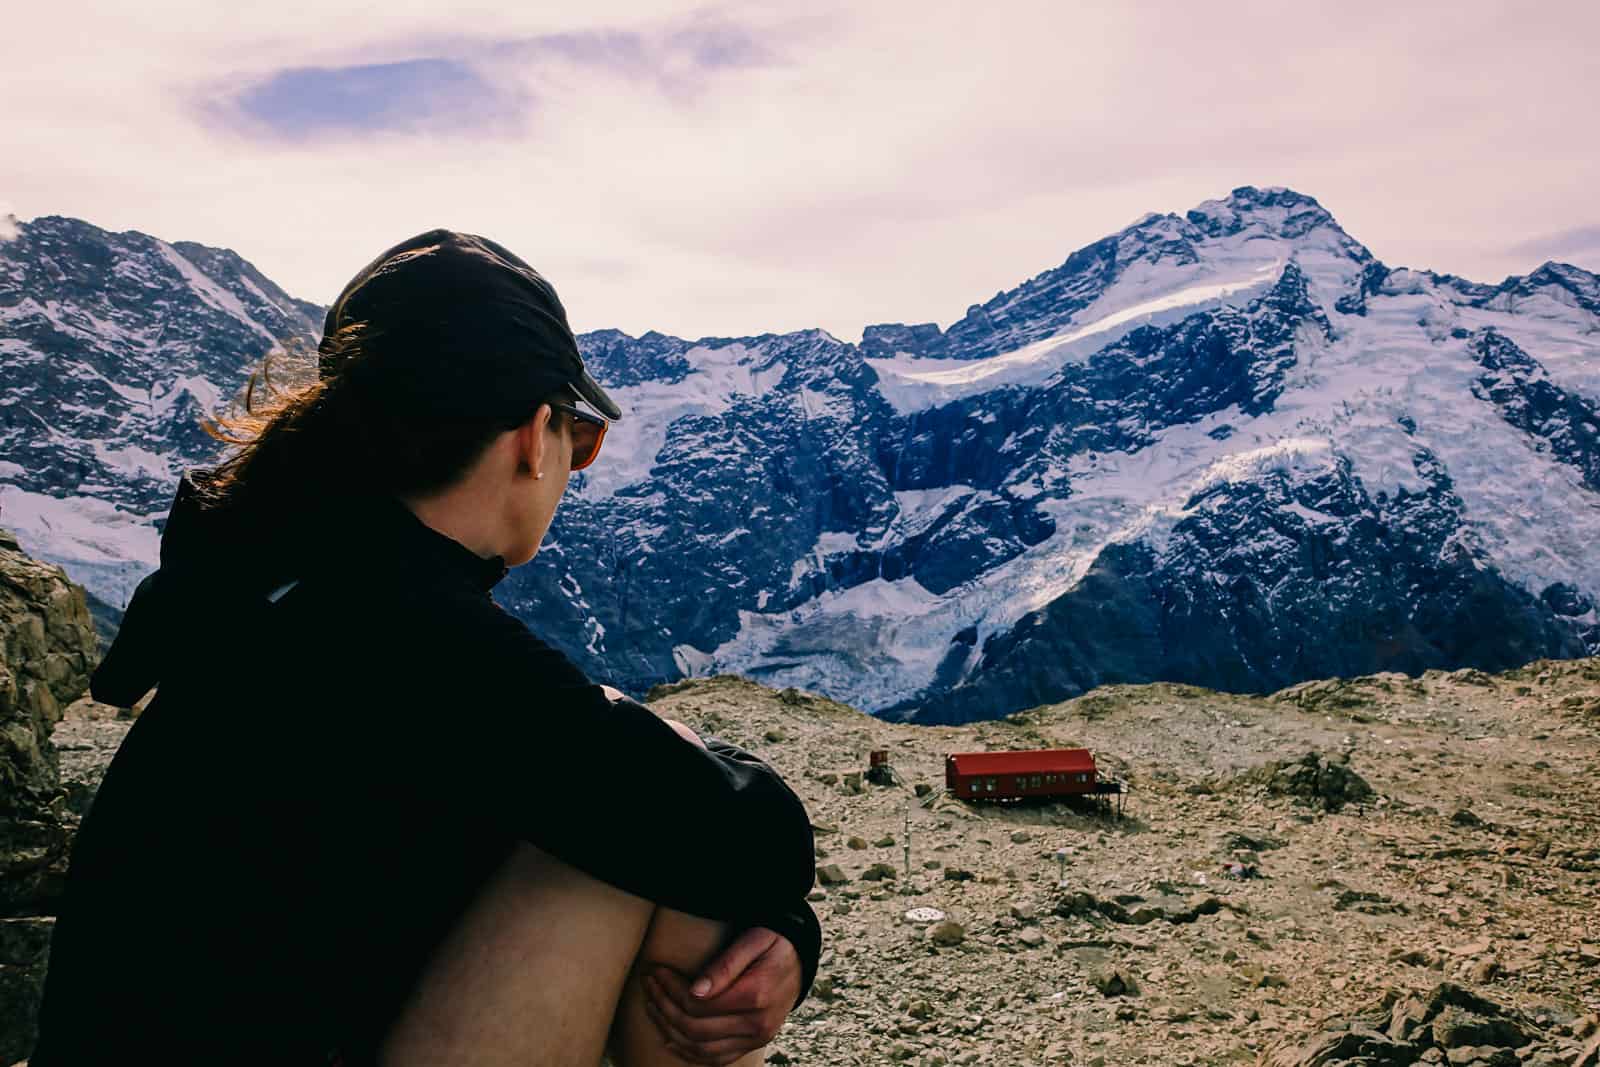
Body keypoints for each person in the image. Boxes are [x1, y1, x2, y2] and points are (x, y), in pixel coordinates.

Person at [28, 229, 822, 1066]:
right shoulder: (396, 631)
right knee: (650, 841)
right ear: (529, 436)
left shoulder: (282, 580)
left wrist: (779, 915)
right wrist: (789, 927)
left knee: (635, 806)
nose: (572, 467)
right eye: (578, 440)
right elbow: (739, 832)